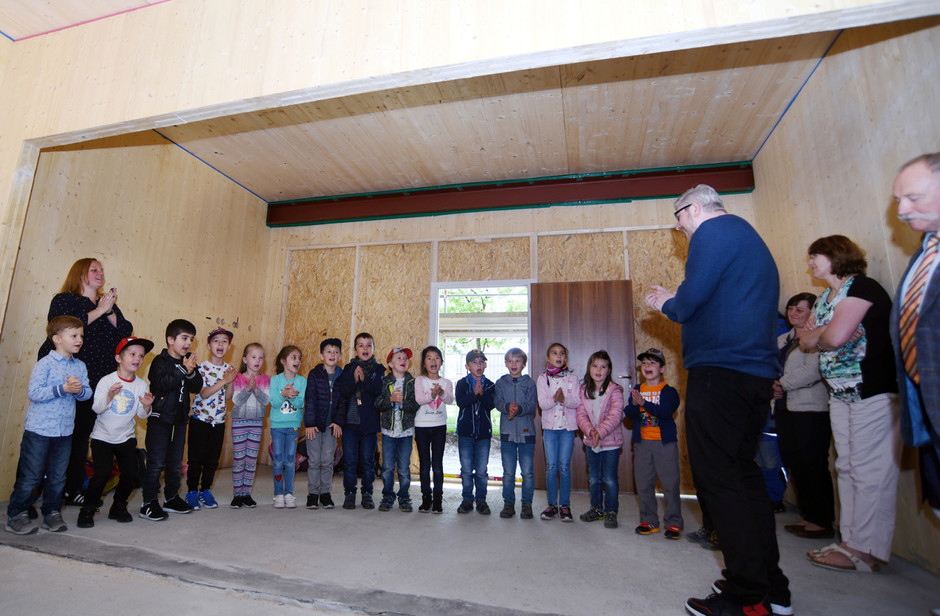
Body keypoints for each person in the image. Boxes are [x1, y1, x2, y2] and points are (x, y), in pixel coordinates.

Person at [645, 184, 790, 616]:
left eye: (679, 217)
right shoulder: (746, 238)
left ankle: (747, 598)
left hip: (722, 373)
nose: (679, 226)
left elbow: (688, 303)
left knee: (718, 482)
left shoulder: (714, 233)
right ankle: (770, 588)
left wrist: (666, 300)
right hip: (753, 375)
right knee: (743, 480)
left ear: (694, 209)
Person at [800, 235, 900, 573]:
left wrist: (828, 332)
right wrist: (831, 328)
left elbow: (832, 339)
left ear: (836, 255)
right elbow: (806, 339)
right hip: (839, 394)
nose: (811, 261)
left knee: (871, 471)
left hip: (872, 391)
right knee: (846, 467)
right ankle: (850, 541)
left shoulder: (862, 288)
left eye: (816, 255)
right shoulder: (826, 297)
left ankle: (865, 551)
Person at [39, 258, 133, 507]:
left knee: (81, 437)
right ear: (80, 274)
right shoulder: (65, 299)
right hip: (67, 377)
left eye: (102, 269)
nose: (100, 273)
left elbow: (126, 331)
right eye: (94, 269)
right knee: (51, 436)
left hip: (96, 381)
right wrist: (100, 310)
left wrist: (109, 309)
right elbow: (62, 325)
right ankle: (35, 492)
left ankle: (71, 489)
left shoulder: (107, 306)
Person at [6, 315, 91, 535]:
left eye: (81, 335)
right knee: (31, 475)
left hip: (64, 432)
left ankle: (52, 513)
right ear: (56, 339)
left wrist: (79, 389)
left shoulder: (80, 366)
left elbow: (86, 394)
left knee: (58, 476)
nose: (79, 339)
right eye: (73, 335)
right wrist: (62, 388)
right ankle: (17, 514)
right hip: (39, 430)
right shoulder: (45, 364)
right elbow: (34, 393)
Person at [890, 153, 940, 518]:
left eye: (913, 198)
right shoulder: (925, 252)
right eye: (898, 200)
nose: (902, 210)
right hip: (926, 403)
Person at [77, 336, 155, 528]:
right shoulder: (107, 381)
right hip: (102, 438)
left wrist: (146, 407)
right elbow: (97, 408)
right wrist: (110, 395)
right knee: (102, 474)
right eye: (132, 354)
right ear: (119, 358)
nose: (137, 358)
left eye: (141, 356)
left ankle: (118, 507)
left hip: (125, 438)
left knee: (129, 474)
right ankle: (87, 509)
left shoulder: (141, 385)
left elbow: (142, 417)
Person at [774, 293, 834, 539]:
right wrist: (773, 384)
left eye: (800, 309)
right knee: (794, 460)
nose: (794, 313)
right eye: (791, 308)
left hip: (811, 408)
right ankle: (808, 516)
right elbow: (771, 365)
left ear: (812, 313)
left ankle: (822, 521)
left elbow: (813, 370)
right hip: (784, 408)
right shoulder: (782, 339)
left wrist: (780, 384)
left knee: (813, 462)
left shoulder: (818, 337)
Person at [141, 319, 203, 521]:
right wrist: (184, 369)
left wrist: (191, 371)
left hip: (180, 420)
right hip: (160, 419)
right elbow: (164, 383)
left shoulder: (188, 362)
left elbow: (196, 386)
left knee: (175, 463)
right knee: (156, 462)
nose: (188, 343)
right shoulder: (160, 361)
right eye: (184, 338)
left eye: (191, 339)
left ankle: (171, 498)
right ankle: (148, 502)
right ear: (170, 339)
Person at [623, 348, 683, 539]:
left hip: (665, 445)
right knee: (644, 484)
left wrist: (644, 403)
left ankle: (674, 523)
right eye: (645, 363)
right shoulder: (638, 390)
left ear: (663, 368)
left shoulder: (669, 392)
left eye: (653, 363)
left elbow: (665, 412)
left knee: (670, 484)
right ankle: (649, 520)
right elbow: (630, 415)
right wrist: (634, 404)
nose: (647, 366)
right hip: (642, 444)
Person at [185, 327, 236, 511]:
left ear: (228, 347)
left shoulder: (229, 369)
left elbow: (228, 396)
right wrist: (223, 380)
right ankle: (191, 491)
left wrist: (229, 382)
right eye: (216, 341)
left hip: (219, 421)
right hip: (200, 419)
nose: (220, 344)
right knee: (196, 458)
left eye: (224, 341)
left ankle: (205, 489)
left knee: (212, 460)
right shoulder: (201, 368)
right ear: (208, 345)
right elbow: (204, 393)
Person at [334, 332, 386, 510]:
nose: (365, 348)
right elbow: (343, 391)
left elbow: (379, 391)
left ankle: (367, 493)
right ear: (355, 349)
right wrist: (353, 378)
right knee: (349, 461)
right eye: (361, 345)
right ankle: (349, 493)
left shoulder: (379, 370)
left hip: (369, 426)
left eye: (368, 345)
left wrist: (363, 380)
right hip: (350, 424)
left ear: (373, 348)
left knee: (367, 461)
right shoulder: (348, 368)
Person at [576, 350, 624, 529]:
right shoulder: (583, 390)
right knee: (594, 478)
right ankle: (596, 508)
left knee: (609, 478)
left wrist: (599, 432)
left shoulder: (615, 390)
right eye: (595, 365)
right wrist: (590, 431)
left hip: (610, 442)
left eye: (603, 366)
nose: (598, 370)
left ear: (608, 370)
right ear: (589, 368)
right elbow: (580, 414)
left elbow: (615, 415)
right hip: (591, 442)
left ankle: (611, 511)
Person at [536, 342, 580, 522]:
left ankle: (565, 505)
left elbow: (576, 402)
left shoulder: (573, 378)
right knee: (551, 467)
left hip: (567, 430)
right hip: (550, 430)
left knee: (564, 467)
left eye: (562, 353)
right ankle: (551, 505)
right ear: (548, 358)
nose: (558, 356)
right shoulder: (542, 378)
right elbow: (543, 404)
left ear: (565, 358)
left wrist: (565, 399)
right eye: (554, 353)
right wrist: (555, 399)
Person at [494, 347, 537, 520]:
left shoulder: (529, 383)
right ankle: (508, 503)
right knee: (508, 472)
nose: (514, 364)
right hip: (507, 434)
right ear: (505, 363)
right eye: (510, 360)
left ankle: (526, 504)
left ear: (524, 364)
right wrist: (506, 407)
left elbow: (532, 405)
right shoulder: (500, 383)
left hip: (527, 435)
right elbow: (497, 401)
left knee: (527, 472)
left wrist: (519, 409)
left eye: (517, 360)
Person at [375, 347, 418, 512]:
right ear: (390, 363)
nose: (403, 360)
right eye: (399, 357)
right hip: (388, 432)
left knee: (403, 467)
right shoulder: (385, 382)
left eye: (406, 358)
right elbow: (377, 403)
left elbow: (415, 405)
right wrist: (391, 400)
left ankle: (404, 496)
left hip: (406, 432)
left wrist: (402, 403)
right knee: (387, 466)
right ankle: (387, 495)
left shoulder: (412, 382)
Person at [303, 338, 343, 510]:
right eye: (328, 351)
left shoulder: (342, 375)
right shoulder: (314, 374)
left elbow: (343, 402)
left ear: (340, 356)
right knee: (314, 461)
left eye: (335, 352)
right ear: (321, 355)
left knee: (327, 460)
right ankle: (313, 493)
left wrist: (339, 422)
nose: (332, 355)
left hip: (331, 427)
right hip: (315, 426)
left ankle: (325, 493)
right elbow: (310, 399)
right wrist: (309, 423)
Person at [454, 349, 496, 515]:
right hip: (465, 433)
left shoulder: (490, 384)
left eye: (481, 362)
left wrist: (481, 394)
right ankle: (466, 499)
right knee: (465, 469)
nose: (478, 365)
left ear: (485, 365)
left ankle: (481, 500)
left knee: (481, 470)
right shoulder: (462, 383)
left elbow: (491, 405)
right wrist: (473, 395)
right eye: (474, 362)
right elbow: (461, 402)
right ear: (467, 366)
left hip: (483, 434)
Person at [414, 345, 454, 513]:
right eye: (429, 358)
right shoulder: (419, 381)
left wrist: (442, 392)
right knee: (424, 465)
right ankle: (426, 498)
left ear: (441, 362)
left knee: (437, 465)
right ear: (424, 363)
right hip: (422, 427)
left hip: (439, 427)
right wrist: (432, 394)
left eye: (437, 357)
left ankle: (438, 499)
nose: (433, 361)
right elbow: (419, 400)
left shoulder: (446, 382)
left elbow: (450, 400)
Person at [229, 342, 270, 508]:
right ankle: (237, 494)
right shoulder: (237, 377)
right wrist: (247, 388)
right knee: (239, 459)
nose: (257, 360)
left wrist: (255, 390)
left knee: (251, 460)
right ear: (245, 359)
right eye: (253, 357)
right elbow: (236, 401)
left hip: (256, 423)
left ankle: (246, 493)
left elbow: (266, 401)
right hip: (239, 423)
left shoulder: (266, 379)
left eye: (260, 357)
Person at [269, 345, 307, 509]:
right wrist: (284, 394)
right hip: (277, 426)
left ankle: (289, 493)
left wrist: (292, 396)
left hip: (293, 427)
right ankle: (278, 493)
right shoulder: (275, 380)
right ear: (283, 361)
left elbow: (300, 404)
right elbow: (274, 403)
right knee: (278, 459)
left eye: (299, 358)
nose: (297, 361)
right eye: (293, 357)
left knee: (290, 460)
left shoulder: (302, 381)